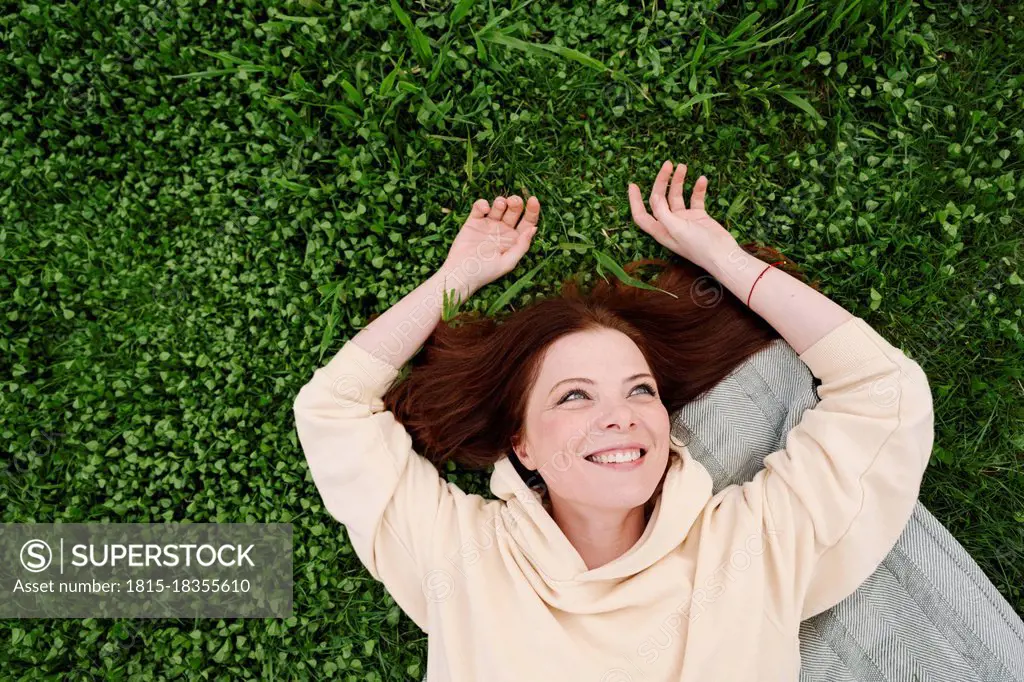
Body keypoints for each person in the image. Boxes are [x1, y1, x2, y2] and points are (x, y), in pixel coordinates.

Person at [293, 159, 935, 681]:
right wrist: (453, 280)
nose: (620, 418)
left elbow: (882, 389)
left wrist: (725, 260)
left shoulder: (750, 544)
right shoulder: (462, 556)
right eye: (574, 397)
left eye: (639, 391)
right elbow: (331, 410)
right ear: (523, 445)